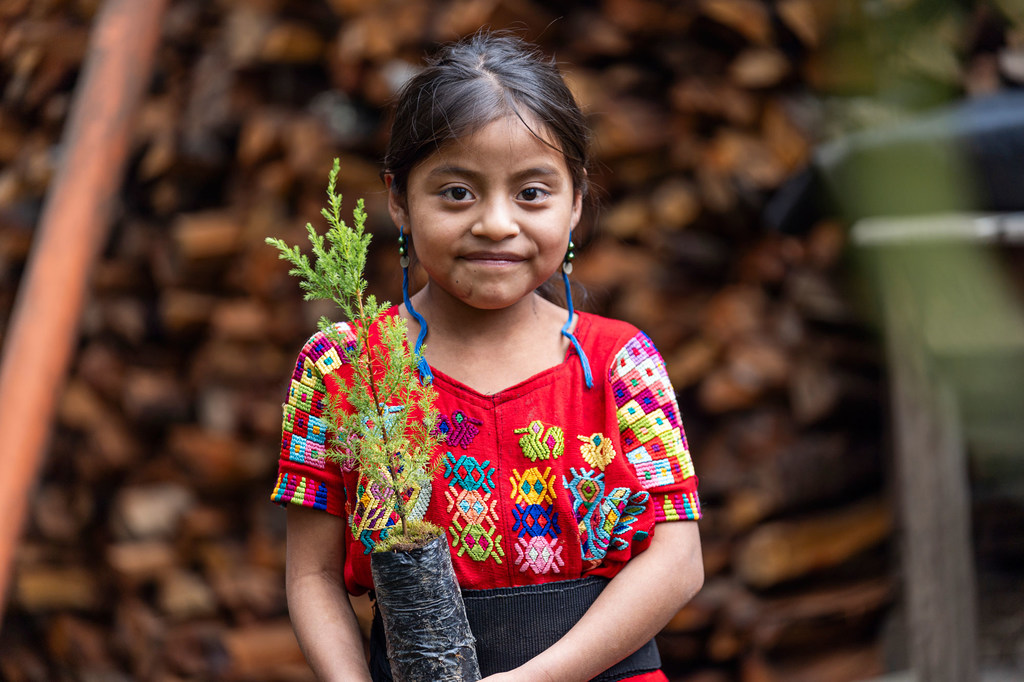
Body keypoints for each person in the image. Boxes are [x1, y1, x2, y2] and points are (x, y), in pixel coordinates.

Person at [272, 32, 703, 682]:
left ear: (577, 200)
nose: (497, 223)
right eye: (457, 193)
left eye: (532, 193)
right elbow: (310, 574)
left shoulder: (619, 366)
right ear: (399, 199)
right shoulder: (343, 368)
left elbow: (678, 561)